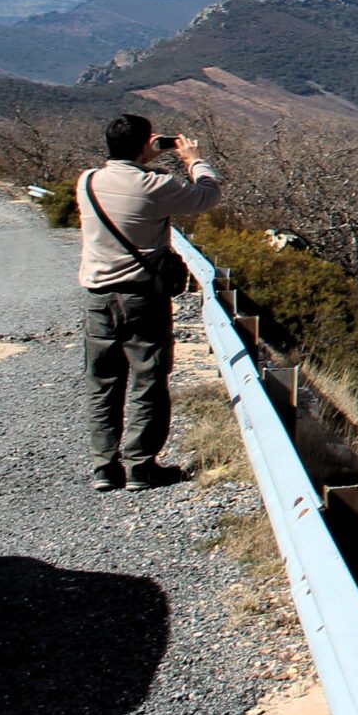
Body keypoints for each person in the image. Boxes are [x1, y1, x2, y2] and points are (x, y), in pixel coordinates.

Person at [75, 114, 223, 492]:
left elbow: (123, 184)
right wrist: (192, 160)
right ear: (145, 146)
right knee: (148, 377)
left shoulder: (87, 182)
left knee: (103, 380)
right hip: (143, 297)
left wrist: (141, 155)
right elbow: (208, 195)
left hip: (98, 298)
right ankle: (141, 465)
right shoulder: (157, 185)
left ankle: (104, 467)